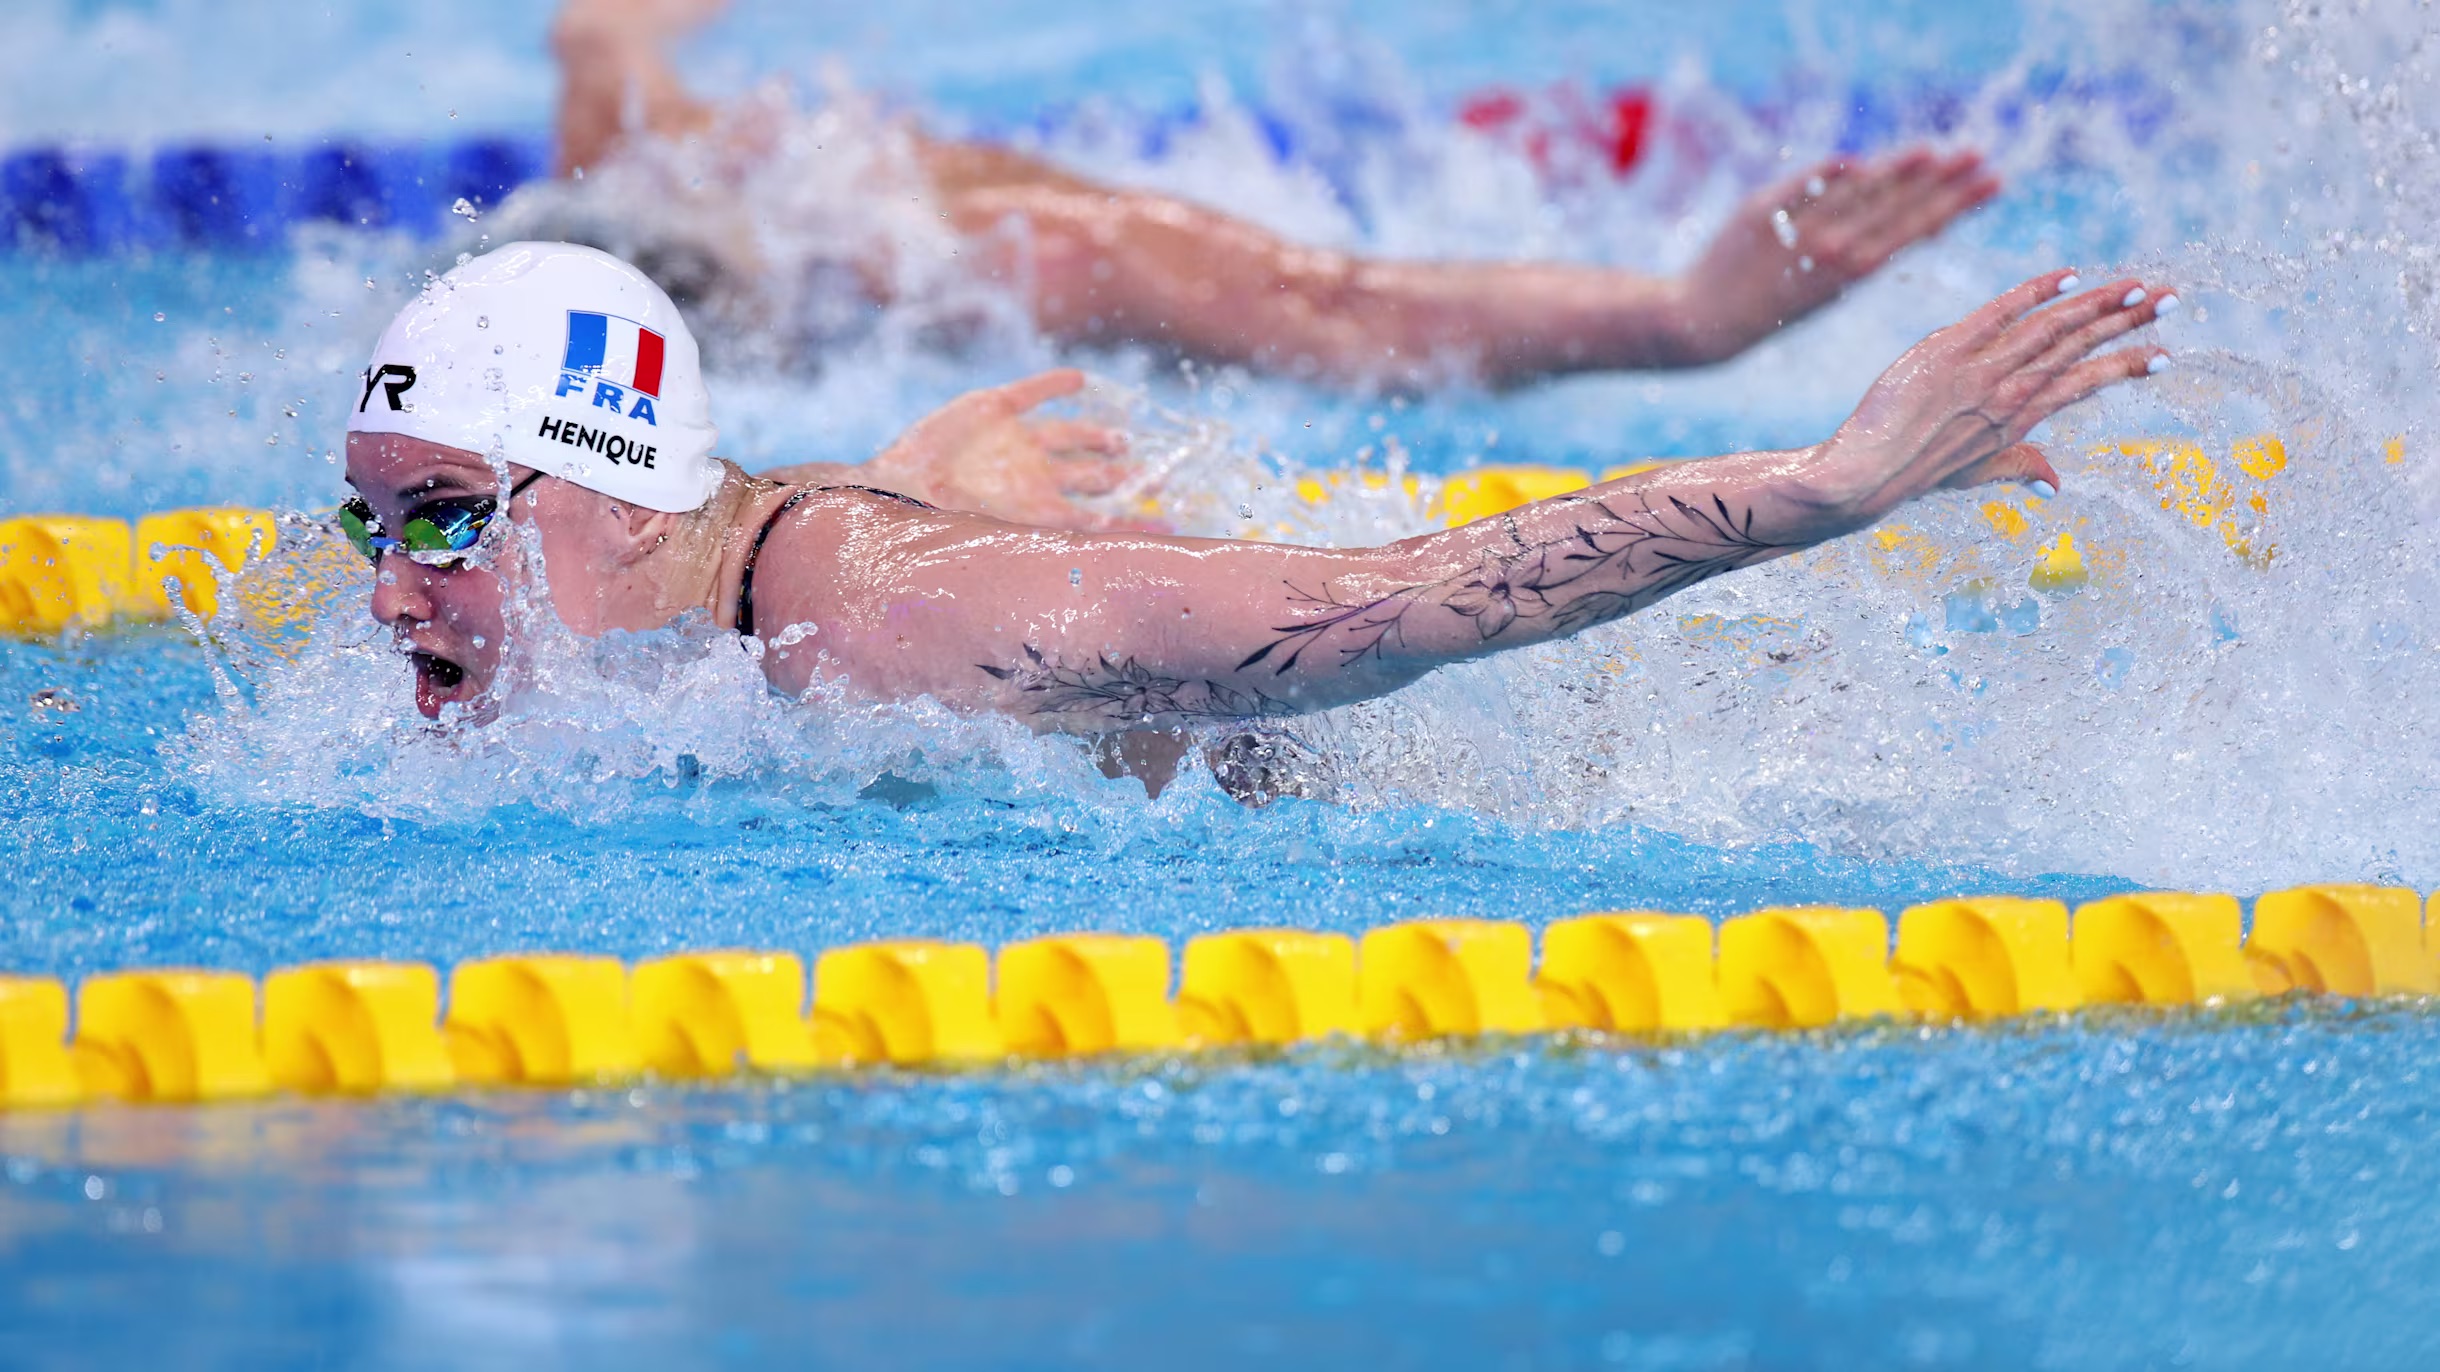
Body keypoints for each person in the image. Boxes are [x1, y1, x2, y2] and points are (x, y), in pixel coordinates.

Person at [343, 244, 2171, 750]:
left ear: (626, 502)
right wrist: (915, 474)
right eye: (375, 524)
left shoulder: (878, 623)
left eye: (443, 519)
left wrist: (1826, 487)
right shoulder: (721, 568)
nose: (391, 590)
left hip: (1563, 757)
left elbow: (1402, 605)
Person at [530, 0, 2005, 391]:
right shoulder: (960, 257)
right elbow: (1345, 311)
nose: (782, 125)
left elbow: (1349, 310)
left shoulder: (1015, 252)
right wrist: (1683, 320)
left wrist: (1687, 318)